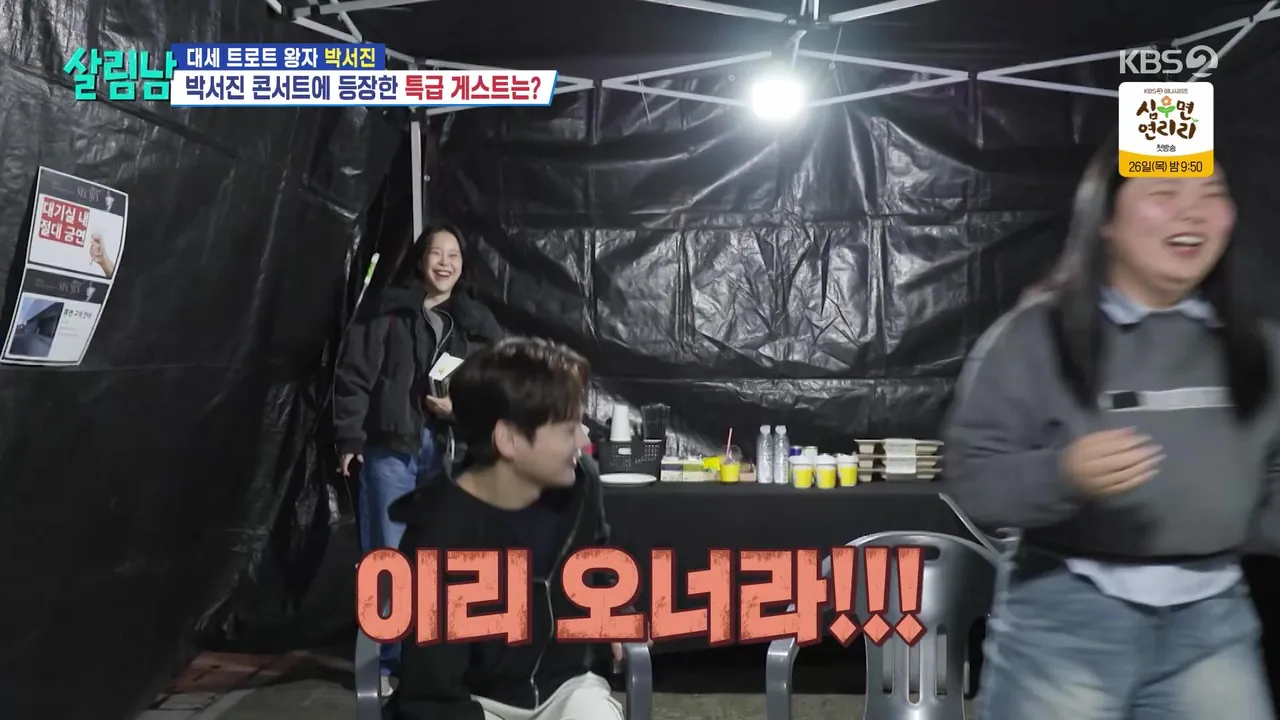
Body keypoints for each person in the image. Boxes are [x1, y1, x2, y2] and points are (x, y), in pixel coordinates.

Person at [943, 133, 1280, 719]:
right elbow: (972, 477)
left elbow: (1271, 478)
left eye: (1211, 191)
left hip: (1215, 620)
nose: (1193, 212)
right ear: (1105, 219)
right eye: (1165, 192)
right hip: (1065, 620)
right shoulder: (1035, 336)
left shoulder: (1260, 346)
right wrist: (1063, 474)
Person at [388, 337, 625, 720]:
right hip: (471, 703)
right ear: (509, 439)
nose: (584, 440)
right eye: (568, 429)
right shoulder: (436, 536)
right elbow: (433, 696)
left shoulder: (582, 482)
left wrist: (613, 608)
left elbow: (597, 560)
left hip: (566, 687)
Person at [334, 225, 503, 688]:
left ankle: (439, 661)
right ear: (420, 259)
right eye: (436, 253)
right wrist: (349, 440)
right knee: (387, 557)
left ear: (463, 265)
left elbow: (497, 387)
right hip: (391, 451)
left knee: (447, 558)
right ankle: (385, 664)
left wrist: (458, 409)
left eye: (453, 255)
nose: (444, 262)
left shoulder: (478, 323)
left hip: (451, 454)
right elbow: (353, 377)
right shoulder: (387, 312)